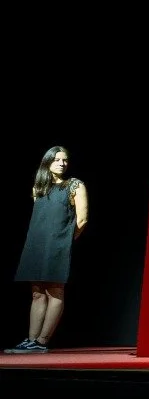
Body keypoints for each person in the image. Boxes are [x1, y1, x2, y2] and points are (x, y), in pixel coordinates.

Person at [6, 147, 88, 355]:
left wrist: (65, 242)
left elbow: (82, 219)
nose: (62, 163)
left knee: (55, 291)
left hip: (58, 245)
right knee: (36, 293)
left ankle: (42, 341)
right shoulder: (39, 187)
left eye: (65, 160)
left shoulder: (74, 185)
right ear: (48, 162)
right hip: (36, 244)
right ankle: (31, 340)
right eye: (57, 160)